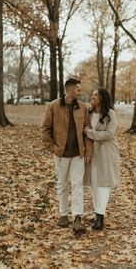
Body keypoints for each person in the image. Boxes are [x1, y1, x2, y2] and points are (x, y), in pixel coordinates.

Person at [41, 78, 92, 234]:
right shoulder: (53, 106)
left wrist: (88, 152)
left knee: (77, 185)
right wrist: (53, 148)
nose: (80, 92)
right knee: (62, 184)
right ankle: (63, 215)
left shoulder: (83, 108)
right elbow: (45, 129)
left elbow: (87, 132)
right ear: (70, 90)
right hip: (61, 155)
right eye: (78, 90)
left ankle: (77, 218)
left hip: (78, 155)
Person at [83, 88, 120, 230]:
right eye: (92, 94)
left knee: (103, 184)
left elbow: (109, 134)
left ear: (103, 98)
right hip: (92, 152)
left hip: (107, 152)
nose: (93, 96)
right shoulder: (89, 112)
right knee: (94, 183)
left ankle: (100, 216)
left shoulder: (110, 114)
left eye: (96, 94)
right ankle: (97, 213)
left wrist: (90, 133)